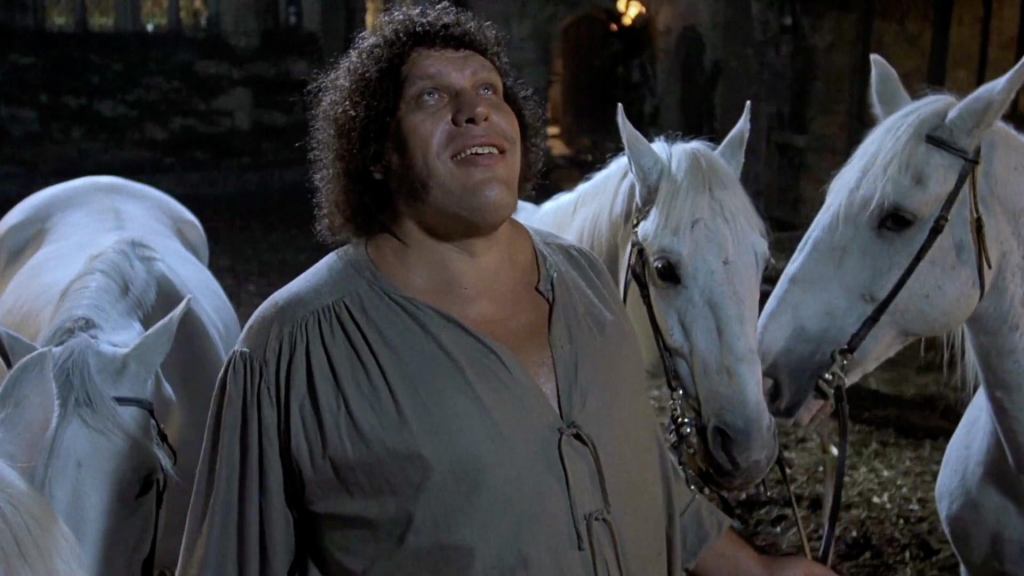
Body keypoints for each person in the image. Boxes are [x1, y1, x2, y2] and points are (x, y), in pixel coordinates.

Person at [177, 4, 836, 575]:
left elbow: (638, 474)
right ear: (376, 152)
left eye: (488, 89)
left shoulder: (587, 284)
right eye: (431, 97)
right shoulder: (291, 351)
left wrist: (754, 567)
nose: (474, 109)